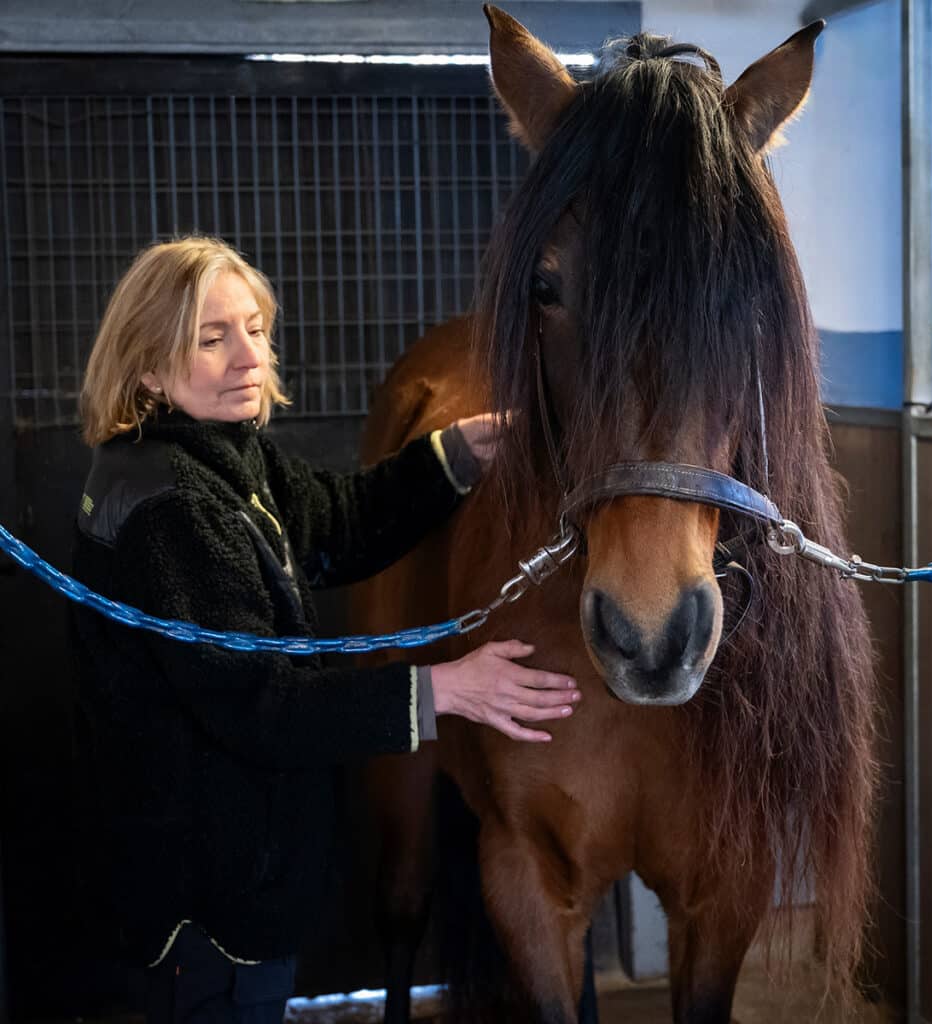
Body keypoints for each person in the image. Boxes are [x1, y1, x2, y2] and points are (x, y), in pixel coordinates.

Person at [69, 236, 580, 1024]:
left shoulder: (211, 455)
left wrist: (458, 456)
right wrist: (447, 689)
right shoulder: (175, 512)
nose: (248, 357)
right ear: (146, 367)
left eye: (256, 328)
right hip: (207, 909)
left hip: (229, 881)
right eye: (213, 339)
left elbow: (334, 522)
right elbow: (261, 707)